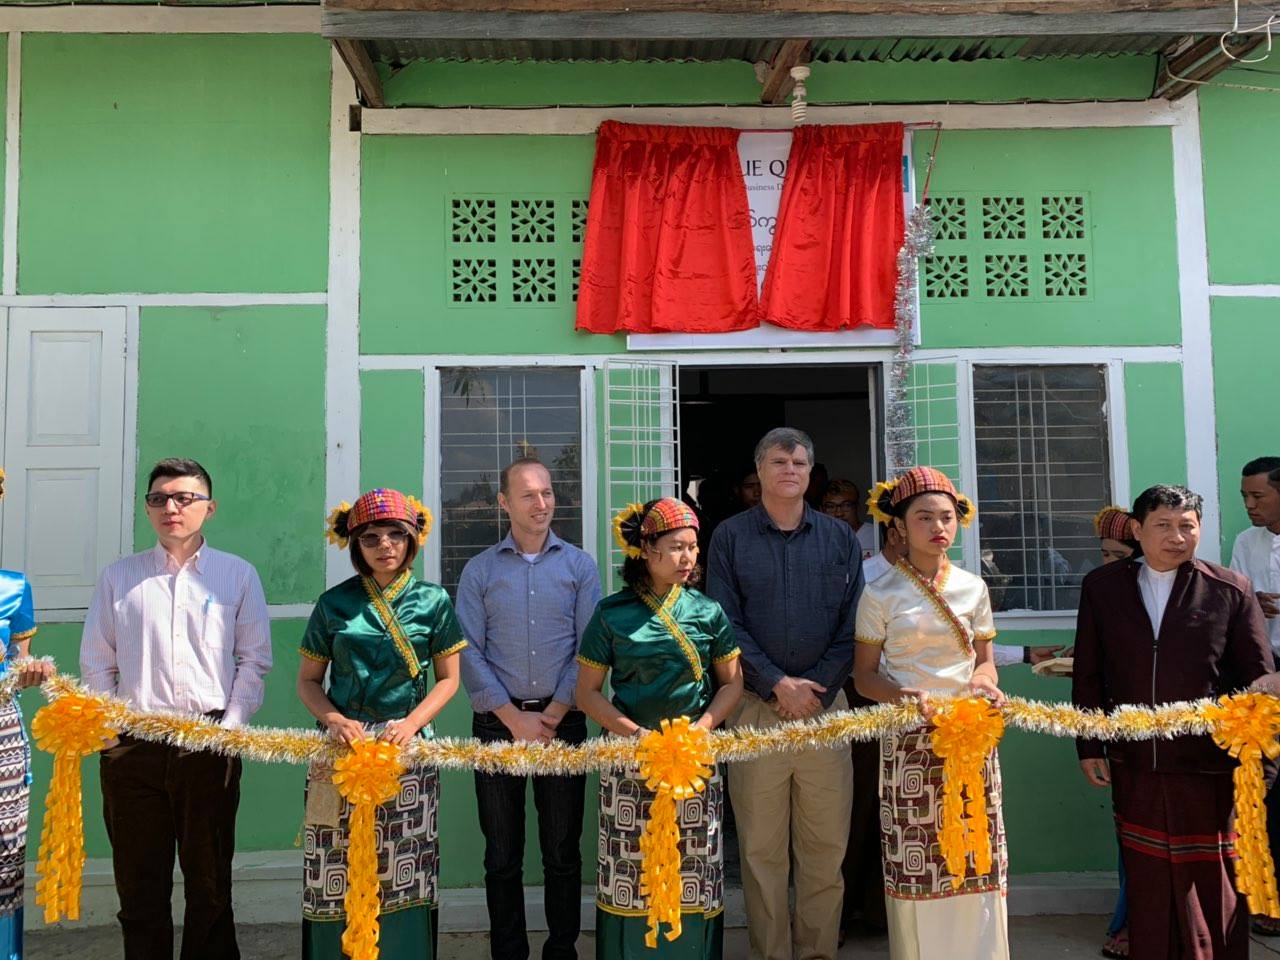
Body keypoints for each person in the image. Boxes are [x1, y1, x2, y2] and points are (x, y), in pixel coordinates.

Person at [80, 458, 272, 960]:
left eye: (185, 498)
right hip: (133, 749)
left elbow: (254, 662)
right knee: (139, 888)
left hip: (209, 743)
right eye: (160, 498)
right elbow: (97, 665)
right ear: (148, 509)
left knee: (209, 884)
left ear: (208, 507)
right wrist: (111, 738)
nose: (172, 507)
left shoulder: (237, 575)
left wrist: (229, 731)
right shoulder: (119, 578)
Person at [1073, 484, 1273, 960]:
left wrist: (1260, 757)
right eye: (1163, 525)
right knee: (1148, 880)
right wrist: (1088, 744)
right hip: (1135, 759)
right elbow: (1089, 672)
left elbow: (1258, 674)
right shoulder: (1103, 588)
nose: (1177, 537)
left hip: (1208, 763)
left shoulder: (1229, 589)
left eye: (1187, 525)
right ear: (1138, 530)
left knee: (1213, 880)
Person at [707, 427, 861, 960]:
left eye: (798, 461)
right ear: (761, 469)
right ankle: (771, 954)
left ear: (809, 472)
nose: (788, 469)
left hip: (825, 711)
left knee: (824, 852)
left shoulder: (839, 539)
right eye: (778, 460)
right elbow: (724, 621)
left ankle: (818, 953)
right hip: (754, 711)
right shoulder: (729, 536)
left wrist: (814, 688)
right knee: (760, 851)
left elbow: (852, 627)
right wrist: (775, 683)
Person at [297, 488, 466, 960]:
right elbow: (309, 682)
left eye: (397, 534)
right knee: (332, 862)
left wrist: (411, 724)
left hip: (406, 752)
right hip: (338, 754)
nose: (385, 545)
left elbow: (449, 680)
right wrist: (334, 719)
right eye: (372, 537)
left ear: (413, 541)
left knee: (405, 867)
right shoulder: (333, 605)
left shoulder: (433, 601)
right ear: (355, 545)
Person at [576, 498, 743, 959]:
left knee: (696, 868)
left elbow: (732, 685)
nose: (687, 558)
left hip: (694, 758)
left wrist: (704, 727)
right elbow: (586, 693)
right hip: (632, 761)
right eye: (675, 548)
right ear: (645, 550)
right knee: (631, 872)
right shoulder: (612, 613)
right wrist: (633, 734)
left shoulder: (708, 611)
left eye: (692, 547)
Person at [853, 467, 1009, 959]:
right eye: (924, 517)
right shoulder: (880, 593)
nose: (938, 527)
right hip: (909, 744)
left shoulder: (973, 588)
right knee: (918, 860)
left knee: (974, 850)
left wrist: (985, 686)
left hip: (969, 739)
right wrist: (908, 700)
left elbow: (984, 664)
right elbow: (864, 677)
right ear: (898, 526)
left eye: (947, 517)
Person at [456, 458, 602, 960]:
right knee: (502, 854)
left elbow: (588, 647)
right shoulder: (480, 570)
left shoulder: (580, 566)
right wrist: (512, 716)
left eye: (547, 493)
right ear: (504, 503)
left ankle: (562, 949)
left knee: (562, 852)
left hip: (564, 724)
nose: (541, 504)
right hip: (498, 726)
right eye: (528, 495)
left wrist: (558, 709)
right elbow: (467, 651)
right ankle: (509, 952)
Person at [839, 518, 906, 941]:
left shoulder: (940, 582)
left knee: (901, 812)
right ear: (895, 529)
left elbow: (966, 650)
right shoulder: (862, 578)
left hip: (920, 711)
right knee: (859, 806)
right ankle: (844, 912)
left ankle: (890, 917)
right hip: (865, 699)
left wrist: (1026, 653)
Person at [0, 469, 56, 960]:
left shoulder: (13, 587)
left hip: (0, 736)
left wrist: (30, 671)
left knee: (3, 853)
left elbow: (17, 665)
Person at [1227, 457, 1280, 937]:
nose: (1249, 505)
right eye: (1245, 496)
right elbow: (1239, 603)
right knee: (1263, 788)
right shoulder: (1246, 542)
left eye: (1257, 496)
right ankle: (1267, 901)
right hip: (1264, 677)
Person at [1090, 505, 1140, 960]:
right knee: (1128, 834)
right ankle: (1128, 921)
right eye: (1103, 553)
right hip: (1118, 730)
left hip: (1171, 732)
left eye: (1117, 553)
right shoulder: (1103, 593)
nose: (1108, 563)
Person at [822, 478, 877, 561]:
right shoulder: (816, 539)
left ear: (857, 507)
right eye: (831, 506)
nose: (839, 513)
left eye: (846, 505)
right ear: (821, 510)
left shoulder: (874, 535)